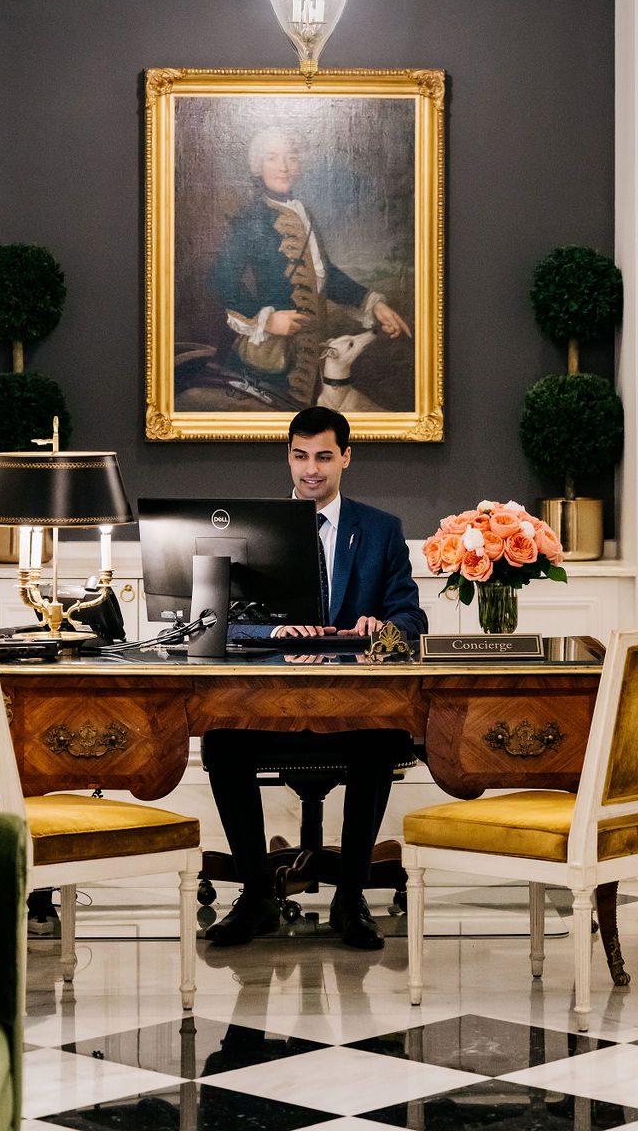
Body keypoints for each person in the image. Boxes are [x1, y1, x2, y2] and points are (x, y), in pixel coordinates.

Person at [203, 405, 428, 952]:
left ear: (345, 458)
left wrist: (382, 629)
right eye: (300, 456)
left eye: (324, 457)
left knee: (383, 741)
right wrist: (274, 635)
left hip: (354, 708)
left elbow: (412, 618)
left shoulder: (380, 531)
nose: (311, 470)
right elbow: (222, 622)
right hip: (269, 708)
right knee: (221, 744)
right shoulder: (253, 531)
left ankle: (350, 896)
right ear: (288, 457)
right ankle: (256, 895)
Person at [209, 128, 410, 407]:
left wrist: (372, 303)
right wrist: (267, 320)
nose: (283, 166)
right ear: (258, 165)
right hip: (268, 361)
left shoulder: (303, 211)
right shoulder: (250, 219)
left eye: (291, 157)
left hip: (310, 360)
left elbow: (324, 275)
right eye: (272, 158)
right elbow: (221, 278)